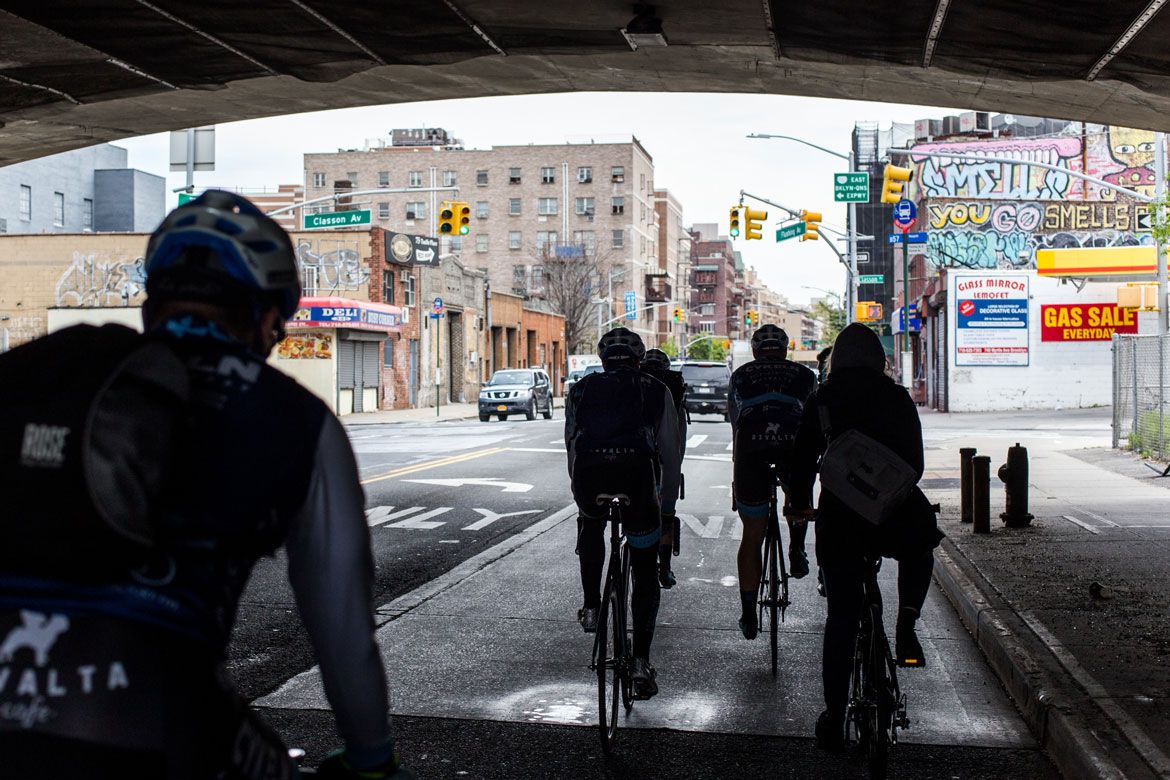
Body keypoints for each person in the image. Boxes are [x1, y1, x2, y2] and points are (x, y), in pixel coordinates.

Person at [0, 191, 409, 779]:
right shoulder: (298, 420)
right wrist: (372, 756)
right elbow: (342, 626)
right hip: (144, 715)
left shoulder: (54, 371)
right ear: (267, 315)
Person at [786, 323, 943, 753]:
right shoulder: (896, 398)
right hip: (894, 512)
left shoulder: (823, 400)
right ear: (879, 358)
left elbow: (800, 464)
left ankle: (835, 719)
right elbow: (916, 462)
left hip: (841, 519)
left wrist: (799, 501)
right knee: (921, 544)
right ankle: (907, 622)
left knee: (842, 616)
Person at [565, 327, 682, 700]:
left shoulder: (580, 389)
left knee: (591, 522)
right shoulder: (655, 389)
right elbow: (670, 451)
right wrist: (666, 507)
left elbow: (571, 442)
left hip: (589, 476)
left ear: (602, 359)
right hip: (637, 479)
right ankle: (640, 662)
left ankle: (591, 606)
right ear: (638, 358)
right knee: (644, 568)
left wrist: (579, 489)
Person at [727, 324, 818, 640]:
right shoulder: (806, 376)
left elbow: (735, 425)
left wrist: (736, 476)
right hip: (794, 449)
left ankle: (749, 614)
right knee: (798, 498)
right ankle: (795, 549)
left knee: (752, 534)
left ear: (754, 351)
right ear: (785, 350)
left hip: (751, 451)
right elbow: (814, 424)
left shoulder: (741, 376)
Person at [639, 348, 687, 589]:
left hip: (634, 463)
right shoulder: (671, 393)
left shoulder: (635, 388)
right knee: (665, 517)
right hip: (662, 465)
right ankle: (665, 569)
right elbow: (677, 446)